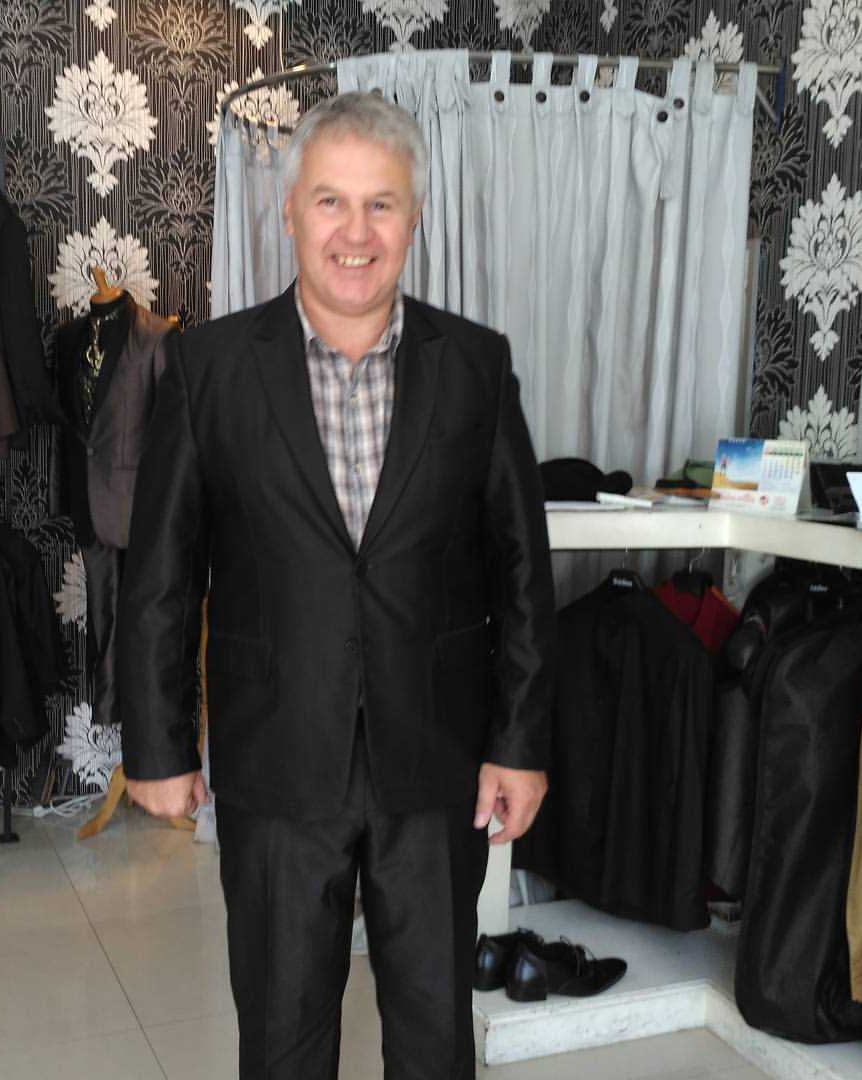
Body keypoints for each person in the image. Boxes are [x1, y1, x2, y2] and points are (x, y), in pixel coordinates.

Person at [116, 91, 556, 1079]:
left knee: (435, 1033)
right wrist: (158, 746)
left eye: (381, 204)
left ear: (414, 218)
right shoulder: (209, 368)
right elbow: (161, 576)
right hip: (277, 758)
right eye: (331, 202)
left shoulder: (475, 366)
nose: (356, 234)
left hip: (436, 761)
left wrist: (519, 744)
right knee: (282, 1033)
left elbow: (523, 571)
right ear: (289, 212)